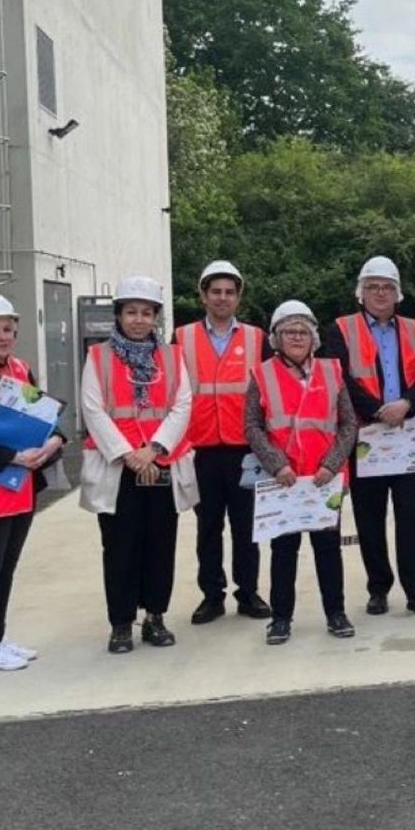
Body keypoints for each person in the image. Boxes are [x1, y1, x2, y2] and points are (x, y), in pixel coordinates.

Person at [80, 276, 195, 654]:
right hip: (119, 467)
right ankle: (121, 623)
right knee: (119, 546)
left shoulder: (173, 357)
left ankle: (155, 617)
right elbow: (93, 409)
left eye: (147, 313)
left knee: (160, 544)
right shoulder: (98, 357)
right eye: (131, 312)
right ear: (118, 315)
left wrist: (155, 449)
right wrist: (130, 453)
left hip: (161, 463)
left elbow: (181, 406)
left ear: (156, 318)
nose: (139, 320)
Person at [323, 256, 415, 617]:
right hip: (364, 435)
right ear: (361, 292)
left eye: (387, 287)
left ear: (397, 292)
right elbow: (341, 379)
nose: (380, 293)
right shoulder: (340, 329)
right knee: (369, 517)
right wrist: (378, 410)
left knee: (410, 515)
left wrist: (406, 404)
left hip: (407, 434)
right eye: (373, 286)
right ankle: (378, 588)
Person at [245, 301, 357, 644]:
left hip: (324, 479)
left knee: (328, 549)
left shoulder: (332, 371)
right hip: (284, 481)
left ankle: (335, 613)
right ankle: (281, 619)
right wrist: (276, 465)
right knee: (283, 552)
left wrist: (332, 463)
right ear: (276, 338)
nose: (297, 337)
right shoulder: (261, 375)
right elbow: (252, 426)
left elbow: (349, 423)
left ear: (314, 338)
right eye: (289, 332)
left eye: (303, 332)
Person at [174, 261, 273, 626]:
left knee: (248, 527)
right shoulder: (181, 337)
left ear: (239, 297)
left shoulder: (256, 338)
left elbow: (268, 391)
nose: (222, 298)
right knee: (208, 527)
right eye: (215, 291)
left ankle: (248, 594)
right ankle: (211, 597)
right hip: (199, 448)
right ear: (202, 295)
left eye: (229, 292)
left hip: (245, 448)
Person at [0, 295, 64, 670]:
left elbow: (40, 412)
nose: (2, 336)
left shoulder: (20, 368)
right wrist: (12, 457)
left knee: (6, 567)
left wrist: (56, 440)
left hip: (19, 486)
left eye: (8, 329)